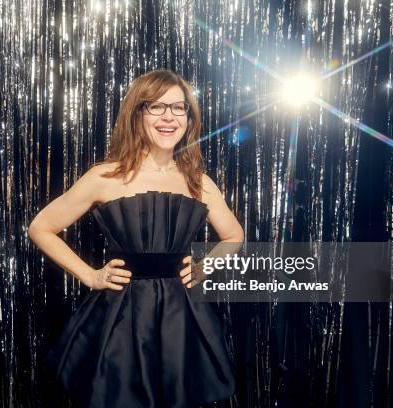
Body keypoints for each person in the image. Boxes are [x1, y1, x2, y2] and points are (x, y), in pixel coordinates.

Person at [28, 69, 244, 407]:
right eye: (156, 107)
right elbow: (40, 227)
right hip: (122, 317)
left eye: (178, 107)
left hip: (179, 316)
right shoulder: (105, 176)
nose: (169, 117)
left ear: (188, 117)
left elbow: (234, 235)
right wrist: (90, 275)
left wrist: (204, 267)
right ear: (137, 113)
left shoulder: (198, 181)